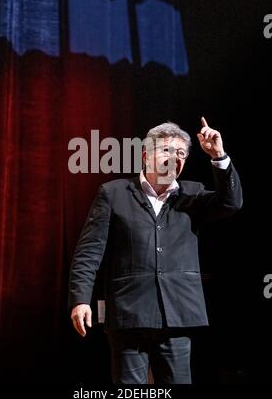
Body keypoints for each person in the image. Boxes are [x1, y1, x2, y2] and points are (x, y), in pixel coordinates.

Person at [68, 117, 243, 384]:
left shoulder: (193, 195)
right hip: (129, 314)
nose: (175, 157)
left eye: (181, 153)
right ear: (145, 155)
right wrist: (80, 299)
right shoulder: (113, 193)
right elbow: (89, 251)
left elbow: (231, 203)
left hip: (178, 313)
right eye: (167, 150)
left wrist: (219, 156)